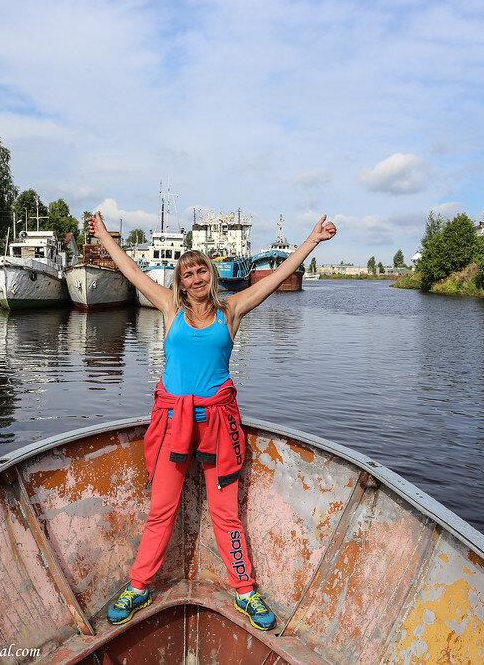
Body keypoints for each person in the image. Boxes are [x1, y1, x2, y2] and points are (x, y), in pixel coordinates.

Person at [86, 211, 336, 630]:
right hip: (172, 423)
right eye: (188, 274)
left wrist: (310, 241)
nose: (196, 278)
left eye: (201, 270)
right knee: (161, 508)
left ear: (211, 275)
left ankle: (245, 591)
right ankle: (139, 584)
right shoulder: (168, 307)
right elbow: (130, 271)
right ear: (180, 282)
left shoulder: (232, 310)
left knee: (226, 513)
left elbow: (274, 279)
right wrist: (105, 238)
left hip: (219, 425)